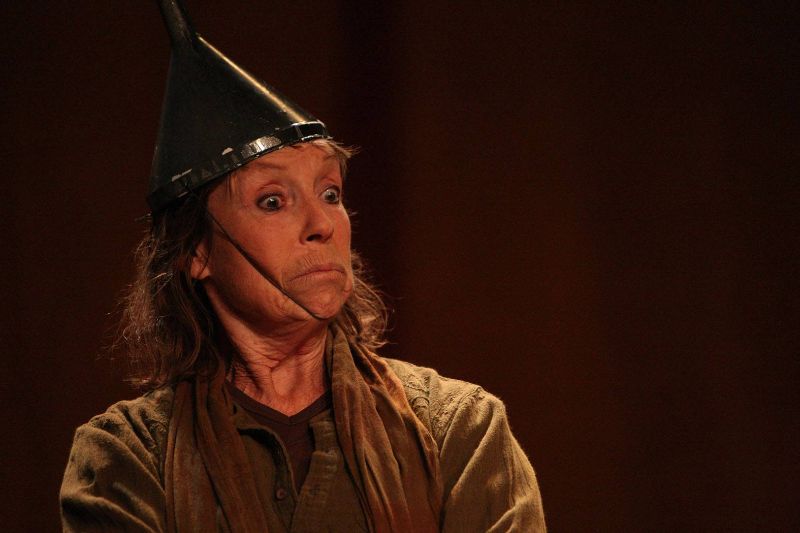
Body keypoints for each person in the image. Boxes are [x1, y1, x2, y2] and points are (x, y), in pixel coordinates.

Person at [60, 2, 546, 531]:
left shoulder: (456, 429)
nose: (322, 224)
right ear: (196, 251)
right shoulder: (128, 457)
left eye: (330, 193)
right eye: (273, 201)